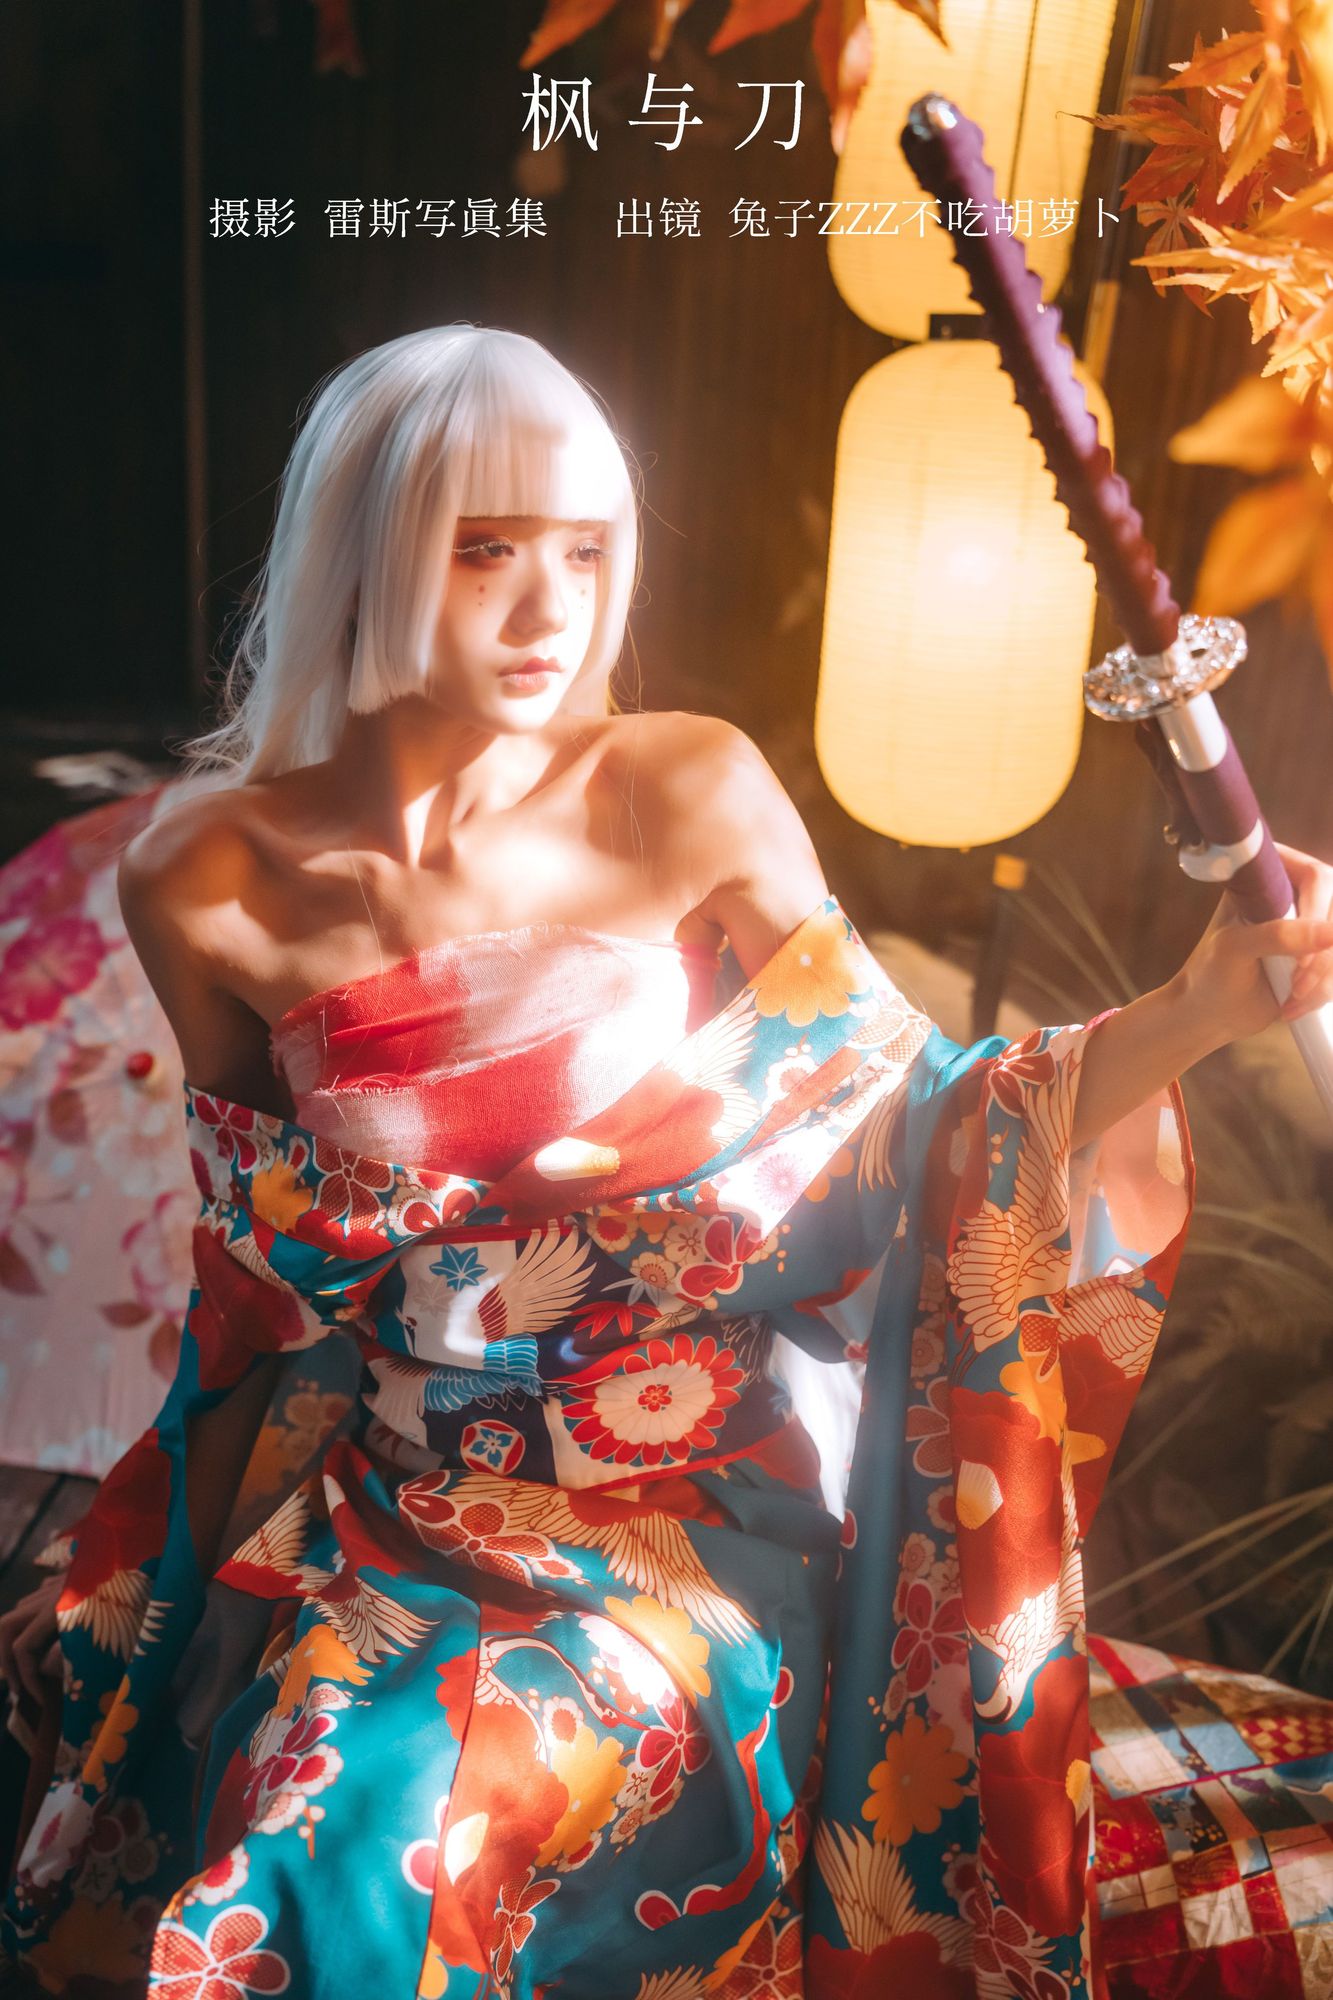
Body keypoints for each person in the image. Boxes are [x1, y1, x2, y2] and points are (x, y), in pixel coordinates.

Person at [2, 323, 1331, 2000]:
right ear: (360, 548)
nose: (547, 610)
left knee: (414, 1833)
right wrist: (140, 1572)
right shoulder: (202, 876)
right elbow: (257, 1273)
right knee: (289, 1842)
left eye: (584, 551)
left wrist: (1198, 1011)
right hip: (397, 1510)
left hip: (684, 1515)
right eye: (484, 550)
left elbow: (922, 1124)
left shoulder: (681, 786)